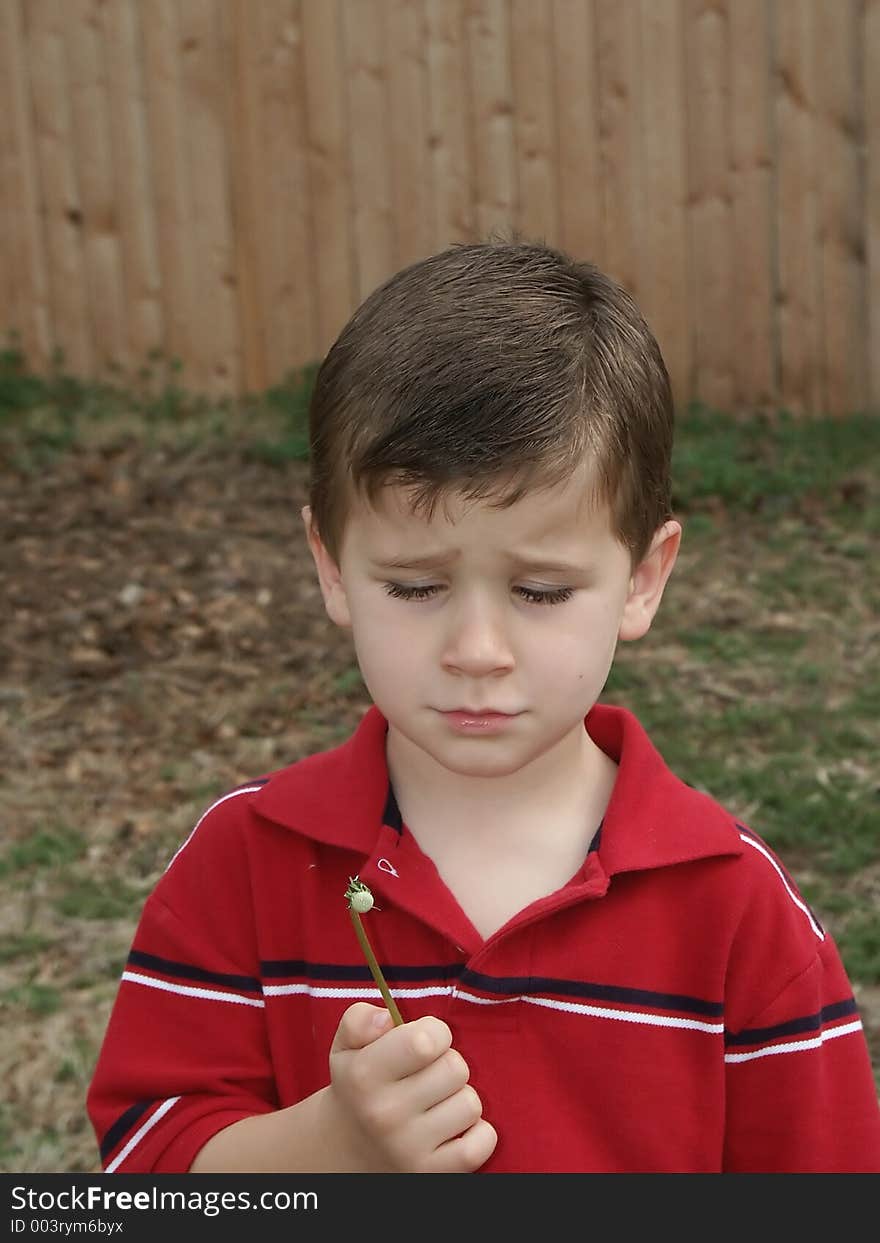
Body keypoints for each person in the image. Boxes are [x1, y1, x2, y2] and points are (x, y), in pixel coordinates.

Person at [87, 238, 880, 1174]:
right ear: (332, 568)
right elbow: (143, 1174)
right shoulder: (245, 862)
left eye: (540, 592)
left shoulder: (735, 911)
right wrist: (328, 1147)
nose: (476, 652)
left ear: (643, 579)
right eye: (416, 587)